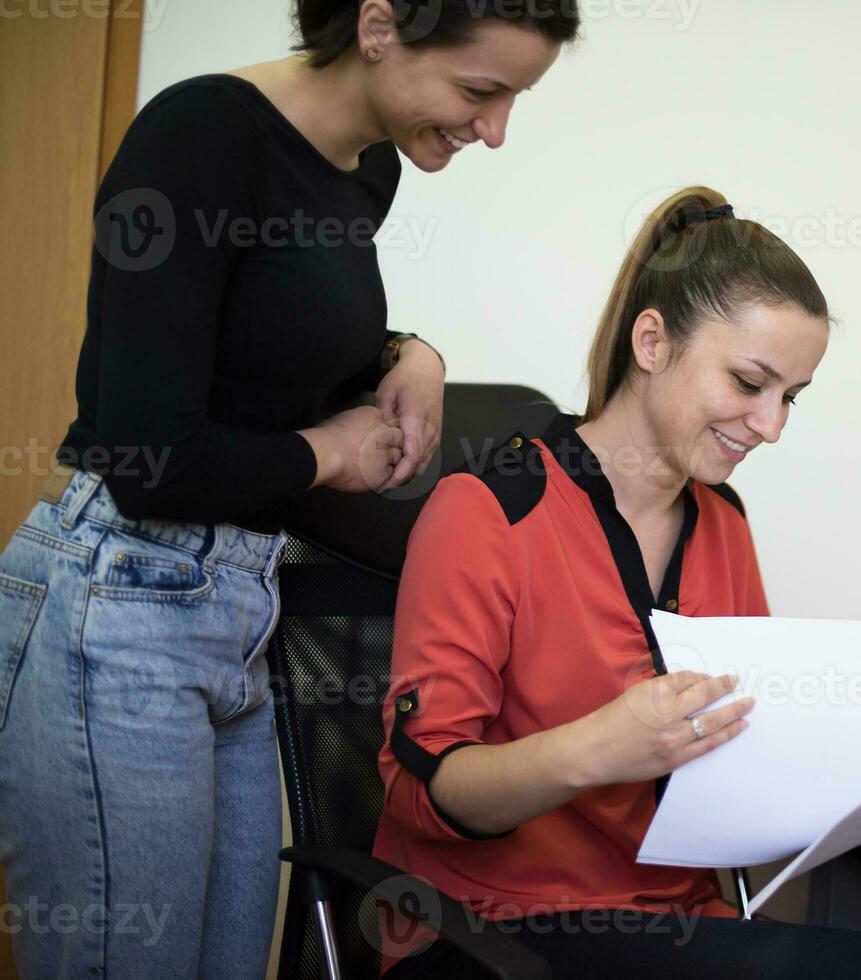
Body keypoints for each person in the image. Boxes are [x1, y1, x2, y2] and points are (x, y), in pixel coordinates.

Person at [0, 2, 576, 977]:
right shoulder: (204, 136)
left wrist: (411, 349)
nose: (495, 130)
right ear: (380, 25)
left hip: (240, 605)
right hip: (124, 596)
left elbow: (279, 332)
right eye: (481, 92)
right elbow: (148, 459)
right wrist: (332, 451)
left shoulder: (368, 168)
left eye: (514, 99)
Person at [374, 186, 861, 978]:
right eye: (749, 383)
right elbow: (419, 790)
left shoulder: (725, 525)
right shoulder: (487, 511)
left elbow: (757, 757)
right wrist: (596, 748)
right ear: (651, 342)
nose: (773, 426)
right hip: (489, 937)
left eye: (791, 399)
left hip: (673, 927)